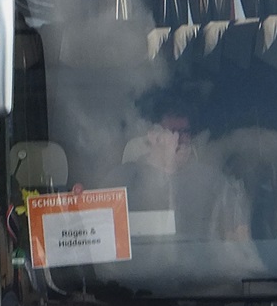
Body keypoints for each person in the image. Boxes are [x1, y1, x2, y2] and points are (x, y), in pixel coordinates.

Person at [108, 95, 252, 243]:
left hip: (203, 265)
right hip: (135, 266)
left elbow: (239, 243)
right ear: (153, 135)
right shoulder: (121, 180)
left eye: (184, 132)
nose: (178, 139)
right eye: (171, 131)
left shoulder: (214, 183)